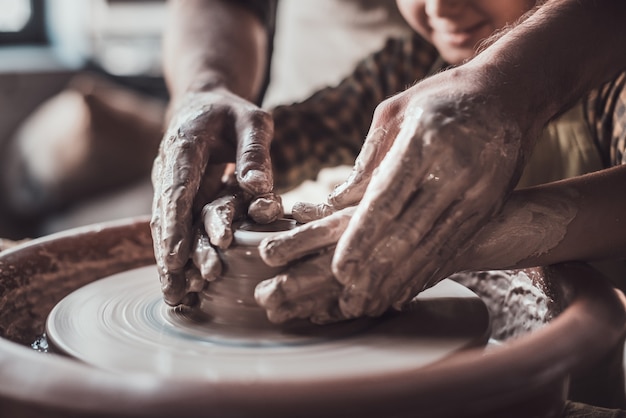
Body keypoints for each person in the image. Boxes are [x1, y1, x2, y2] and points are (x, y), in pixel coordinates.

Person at [153, 0, 626, 315]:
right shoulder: (406, 67)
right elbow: (294, 137)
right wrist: (230, 170)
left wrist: (451, 240)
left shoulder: (610, 82)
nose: (440, 6)